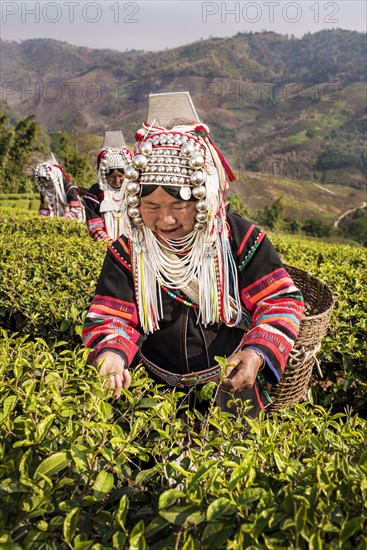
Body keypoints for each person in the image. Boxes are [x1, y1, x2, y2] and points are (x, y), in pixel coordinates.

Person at [82, 92, 305, 418]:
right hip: (151, 394)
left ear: (203, 199)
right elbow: (111, 316)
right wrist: (112, 353)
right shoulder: (128, 251)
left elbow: (281, 302)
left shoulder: (239, 240)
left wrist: (257, 352)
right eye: (151, 206)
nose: (165, 220)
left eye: (178, 206)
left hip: (229, 388)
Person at [84, 131, 132, 243]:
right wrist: (109, 244)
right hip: (106, 247)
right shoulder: (96, 192)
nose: (117, 181)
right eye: (111, 177)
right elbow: (94, 226)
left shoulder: (134, 190)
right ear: (104, 175)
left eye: (120, 176)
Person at [35, 156, 84, 221]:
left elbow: (77, 208)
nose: (45, 184)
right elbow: (44, 210)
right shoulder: (44, 191)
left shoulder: (68, 187)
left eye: (47, 180)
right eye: (42, 181)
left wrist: (64, 219)